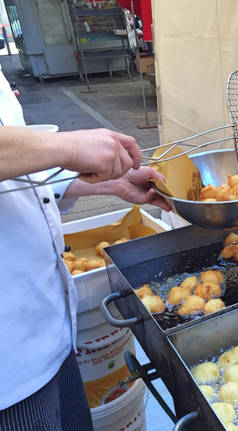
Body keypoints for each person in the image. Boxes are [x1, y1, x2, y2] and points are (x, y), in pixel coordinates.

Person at [0, 67, 169, 430]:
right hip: (8, 373)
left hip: (51, 331)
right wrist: (69, 147)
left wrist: (107, 183)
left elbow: (16, 173)